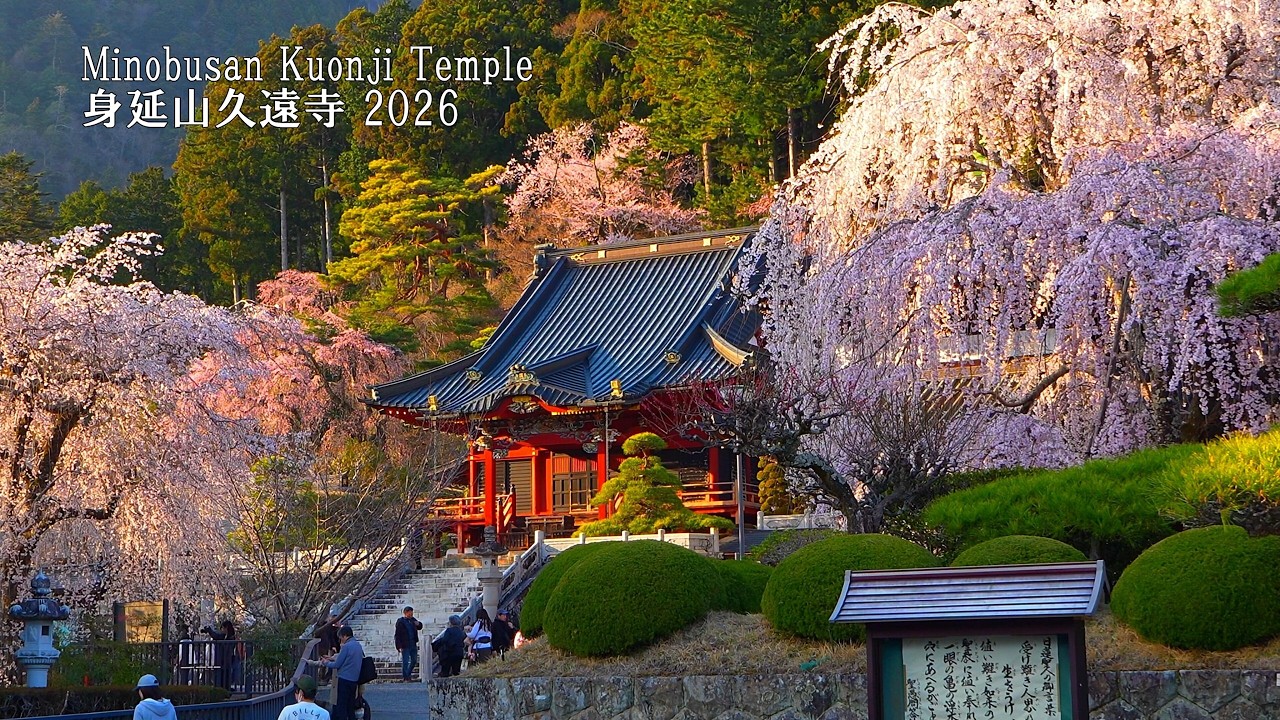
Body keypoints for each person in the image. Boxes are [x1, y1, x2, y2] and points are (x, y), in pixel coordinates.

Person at [309, 625, 363, 720]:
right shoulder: (358, 646)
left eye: (341, 637)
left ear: (345, 636)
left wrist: (326, 662)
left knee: (341, 705)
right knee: (350, 705)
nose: (340, 640)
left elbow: (337, 665)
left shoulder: (346, 647)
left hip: (344, 679)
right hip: (354, 679)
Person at [201, 620, 243, 692]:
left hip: (227, 658)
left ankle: (226, 688)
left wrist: (210, 631)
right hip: (224, 659)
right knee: (224, 674)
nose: (221, 630)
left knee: (227, 674)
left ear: (226, 628)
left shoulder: (231, 637)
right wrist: (210, 631)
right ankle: (224, 688)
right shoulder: (225, 636)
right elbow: (216, 636)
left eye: (223, 628)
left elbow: (217, 637)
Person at [393, 606, 424, 681]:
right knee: (405, 661)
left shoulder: (413, 620)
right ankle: (406, 676)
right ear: (405, 613)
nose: (411, 615)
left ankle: (408, 673)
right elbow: (397, 634)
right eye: (409, 613)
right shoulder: (400, 621)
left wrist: (418, 624)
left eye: (412, 613)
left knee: (414, 660)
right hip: (405, 644)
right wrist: (399, 646)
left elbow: (420, 626)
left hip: (413, 643)